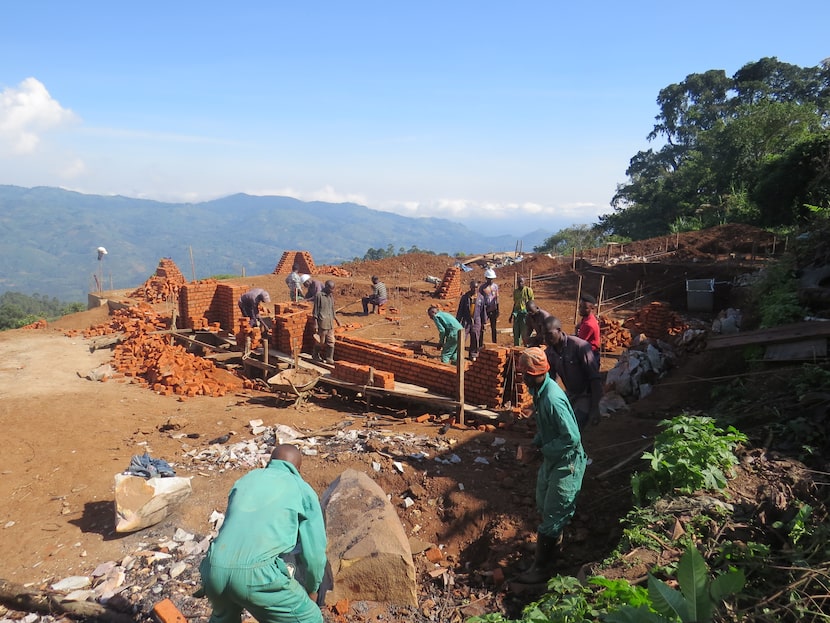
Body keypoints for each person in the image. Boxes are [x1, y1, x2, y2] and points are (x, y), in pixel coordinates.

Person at [199, 444, 327, 623]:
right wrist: (313, 590)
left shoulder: (245, 480)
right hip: (257, 574)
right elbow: (315, 555)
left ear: (270, 461)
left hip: (213, 568)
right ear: (297, 469)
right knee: (311, 619)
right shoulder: (301, 488)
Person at [515, 347, 586, 583]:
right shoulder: (540, 392)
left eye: (525, 374)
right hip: (552, 458)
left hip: (568, 462)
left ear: (535, 374)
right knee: (545, 505)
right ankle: (553, 555)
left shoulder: (552, 399)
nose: (523, 379)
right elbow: (547, 428)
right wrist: (536, 444)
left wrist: (542, 450)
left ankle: (541, 569)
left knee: (554, 513)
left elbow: (572, 438)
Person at [542, 315, 602, 430]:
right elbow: (551, 380)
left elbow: (595, 378)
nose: (546, 338)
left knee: (572, 427)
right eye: (544, 335)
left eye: (549, 334)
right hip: (570, 394)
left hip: (586, 395)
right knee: (557, 423)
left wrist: (595, 408)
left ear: (559, 331)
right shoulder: (550, 352)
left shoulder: (579, 347)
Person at [456, 279, 486, 361]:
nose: (474, 289)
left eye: (476, 288)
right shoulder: (465, 297)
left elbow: (483, 311)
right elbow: (460, 310)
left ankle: (473, 354)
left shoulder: (481, 298)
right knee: (462, 337)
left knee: (475, 338)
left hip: (476, 320)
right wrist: (457, 322)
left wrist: (484, 323)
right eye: (473, 288)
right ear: (470, 287)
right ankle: (459, 354)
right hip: (466, 320)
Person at [312, 280, 339, 364]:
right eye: (331, 289)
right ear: (326, 287)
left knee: (331, 341)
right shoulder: (319, 296)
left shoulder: (330, 296)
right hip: (322, 323)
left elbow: (332, 309)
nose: (332, 291)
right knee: (321, 342)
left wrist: (336, 319)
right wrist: (315, 324)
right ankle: (315, 355)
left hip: (330, 323)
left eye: (333, 289)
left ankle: (329, 358)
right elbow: (315, 311)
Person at [575, 293, 601, 364]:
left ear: (592, 309)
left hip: (590, 356)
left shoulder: (589, 324)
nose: (580, 309)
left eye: (585, 308)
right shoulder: (587, 318)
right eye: (580, 306)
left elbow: (579, 343)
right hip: (587, 351)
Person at [510, 275, 534, 346]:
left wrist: (531, 315)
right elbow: (515, 304)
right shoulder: (515, 292)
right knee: (516, 334)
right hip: (517, 314)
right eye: (518, 282)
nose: (520, 283)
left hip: (525, 315)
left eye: (521, 282)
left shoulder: (528, 290)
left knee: (525, 334)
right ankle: (516, 350)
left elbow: (531, 303)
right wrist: (511, 315)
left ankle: (527, 349)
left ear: (524, 282)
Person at [479, 268, 500, 343]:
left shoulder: (495, 287)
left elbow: (497, 298)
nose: (490, 280)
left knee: (493, 327)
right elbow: (479, 299)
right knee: (482, 327)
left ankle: (494, 343)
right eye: (489, 279)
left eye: (492, 279)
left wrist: (498, 309)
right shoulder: (482, 287)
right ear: (486, 278)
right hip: (484, 310)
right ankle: (480, 343)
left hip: (493, 309)